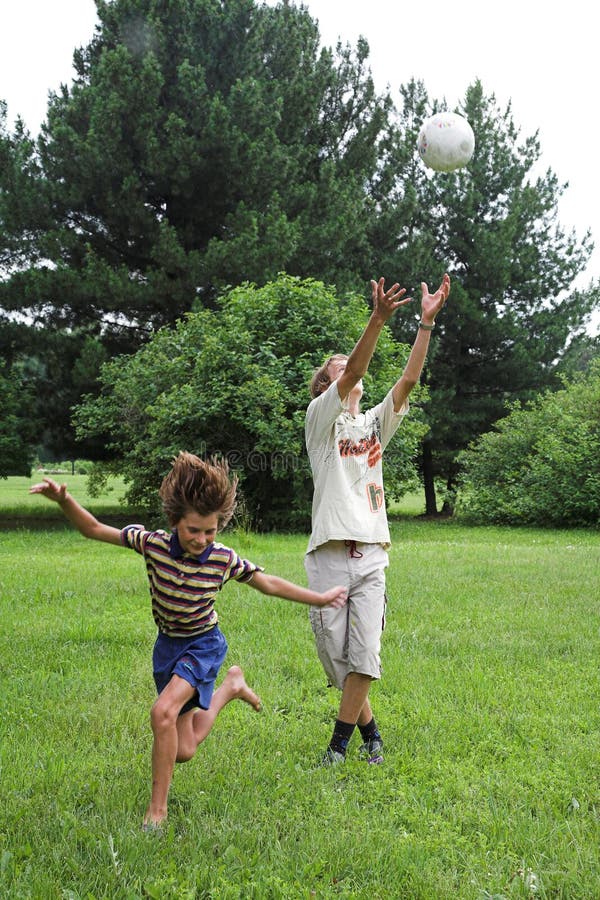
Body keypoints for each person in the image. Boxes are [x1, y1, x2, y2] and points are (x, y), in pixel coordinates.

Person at [30, 452, 347, 829]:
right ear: (175, 522)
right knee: (183, 749)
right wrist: (65, 500)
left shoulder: (223, 558)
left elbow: (269, 583)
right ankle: (231, 686)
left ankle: (157, 813)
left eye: (210, 531)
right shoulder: (152, 544)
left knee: (162, 713)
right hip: (168, 648)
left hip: (203, 645)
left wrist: (321, 598)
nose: (201, 539)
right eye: (193, 530)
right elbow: (95, 529)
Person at [304, 273, 451, 765]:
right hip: (327, 556)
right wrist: (376, 320)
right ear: (326, 384)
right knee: (338, 662)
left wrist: (425, 324)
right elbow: (349, 373)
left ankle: (338, 749)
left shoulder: (373, 426)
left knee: (364, 655)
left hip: (369, 553)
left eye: (352, 365)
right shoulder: (319, 421)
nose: (351, 370)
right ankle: (372, 736)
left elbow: (407, 380)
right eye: (341, 368)